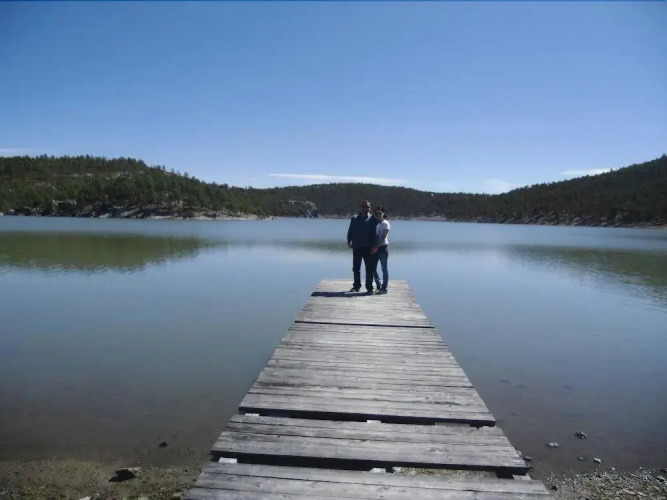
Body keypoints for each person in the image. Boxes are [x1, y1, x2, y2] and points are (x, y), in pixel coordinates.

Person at [346, 200, 379, 294]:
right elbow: (350, 231)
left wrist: (375, 245)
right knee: (356, 268)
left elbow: (376, 234)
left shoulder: (373, 218)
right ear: (361, 207)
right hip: (357, 246)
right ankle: (356, 286)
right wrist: (349, 241)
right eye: (364, 206)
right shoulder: (354, 218)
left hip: (369, 248)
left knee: (369, 269)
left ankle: (369, 288)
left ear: (370, 208)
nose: (366, 208)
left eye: (368, 206)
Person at [372, 206, 390, 294]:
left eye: (380, 213)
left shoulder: (385, 223)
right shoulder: (375, 223)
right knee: (373, 268)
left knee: (384, 268)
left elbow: (383, 237)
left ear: (383, 213)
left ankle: (384, 288)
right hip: (375, 247)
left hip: (383, 247)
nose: (378, 215)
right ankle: (378, 284)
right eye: (376, 213)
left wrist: (377, 246)